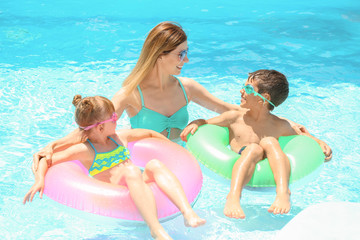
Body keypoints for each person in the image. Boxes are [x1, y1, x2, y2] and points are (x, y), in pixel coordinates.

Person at [31, 21, 330, 170]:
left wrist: (310, 137)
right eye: (180, 54)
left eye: (186, 53)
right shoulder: (131, 94)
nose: (185, 59)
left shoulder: (188, 87)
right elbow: (92, 127)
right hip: (150, 162)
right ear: (160, 55)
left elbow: (248, 113)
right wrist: (52, 146)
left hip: (187, 159)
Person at [23, 95, 205, 240]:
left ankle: (187, 213)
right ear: (100, 128)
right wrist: (39, 179)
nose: (117, 119)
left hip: (137, 184)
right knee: (131, 170)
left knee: (155, 164)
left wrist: (171, 148)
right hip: (115, 192)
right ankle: (155, 229)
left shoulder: (119, 138)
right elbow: (45, 160)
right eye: (113, 117)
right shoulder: (85, 150)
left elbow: (149, 133)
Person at [180, 70, 332, 219]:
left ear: (263, 98)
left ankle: (283, 192)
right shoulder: (235, 117)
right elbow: (206, 122)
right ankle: (234, 196)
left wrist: (318, 142)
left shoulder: (279, 125)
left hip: (269, 159)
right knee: (253, 149)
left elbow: (302, 135)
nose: (241, 91)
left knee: (269, 141)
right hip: (246, 155)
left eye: (247, 88)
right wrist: (196, 123)